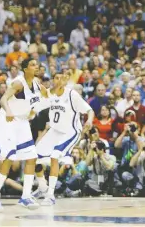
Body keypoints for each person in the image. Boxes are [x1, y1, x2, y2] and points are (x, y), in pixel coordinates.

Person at [0, 58, 49, 210]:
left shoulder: (37, 84)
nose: (36, 66)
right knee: (8, 158)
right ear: (25, 69)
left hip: (23, 121)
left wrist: (31, 112)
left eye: (36, 64)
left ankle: (26, 196)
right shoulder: (18, 83)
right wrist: (9, 111)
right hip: (8, 120)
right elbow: (4, 98)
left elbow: (42, 99)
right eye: (32, 64)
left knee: (31, 157)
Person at [32, 72, 94, 205]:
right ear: (53, 80)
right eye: (56, 78)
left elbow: (90, 110)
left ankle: (50, 195)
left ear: (65, 81)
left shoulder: (72, 94)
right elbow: (36, 108)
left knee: (54, 156)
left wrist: (89, 121)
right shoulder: (49, 93)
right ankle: (43, 187)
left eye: (61, 78)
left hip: (70, 132)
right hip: (54, 131)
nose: (59, 80)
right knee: (33, 157)